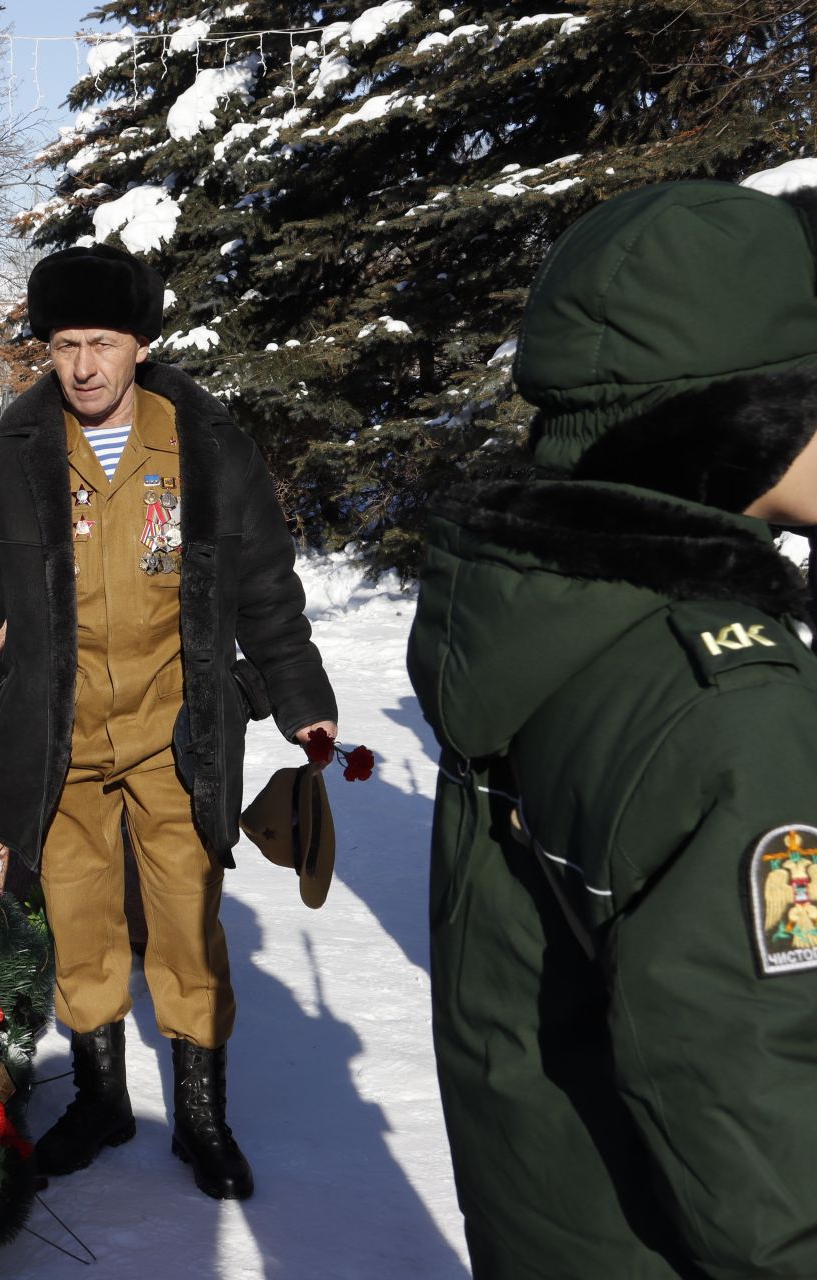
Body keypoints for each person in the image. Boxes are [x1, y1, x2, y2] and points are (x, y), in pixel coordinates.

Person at [0, 243, 338, 1201]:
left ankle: (202, 1117)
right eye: (64, 344)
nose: (81, 365)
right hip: (62, 742)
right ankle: (102, 1096)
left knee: (188, 928)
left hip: (181, 737)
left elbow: (264, 589)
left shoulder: (205, 448)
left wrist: (303, 703)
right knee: (81, 928)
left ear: (141, 345)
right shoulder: (14, 459)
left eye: (102, 343)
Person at [408, 181, 817, 1278]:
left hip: (554, 1215)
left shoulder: (548, 618)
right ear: (745, 413)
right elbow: (762, 1124)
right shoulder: (721, 698)